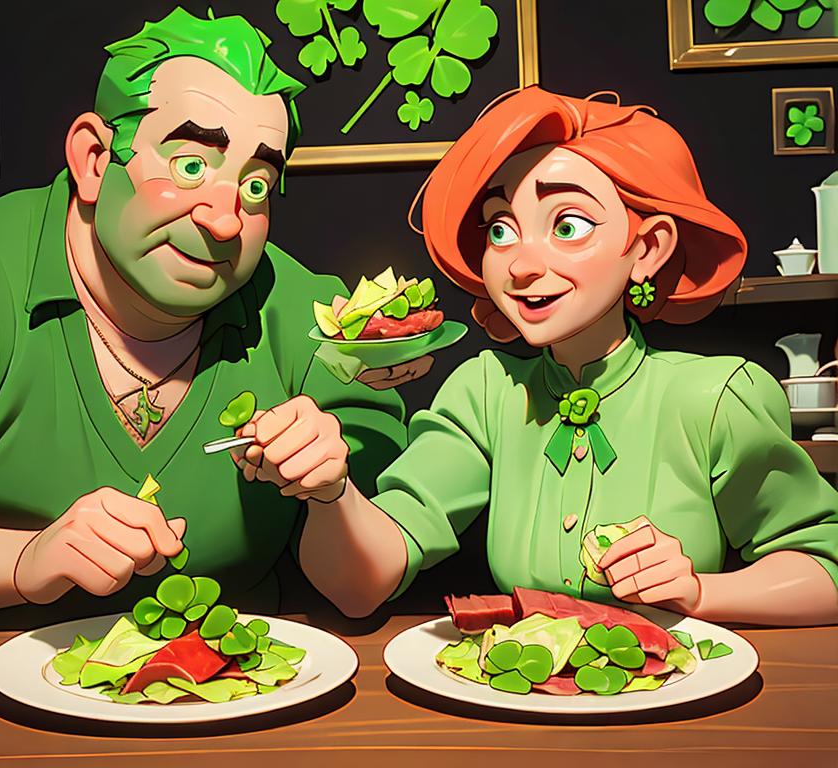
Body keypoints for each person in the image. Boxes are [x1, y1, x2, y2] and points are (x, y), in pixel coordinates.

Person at [0, 9, 417, 628]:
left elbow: (365, 580)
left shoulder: (315, 319)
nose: (223, 218)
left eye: (254, 185)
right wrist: (23, 562)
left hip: (238, 706)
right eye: (189, 166)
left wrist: (332, 492)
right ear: (95, 160)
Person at [238, 86, 838, 625]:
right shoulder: (485, 392)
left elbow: (826, 568)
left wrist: (700, 593)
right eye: (501, 229)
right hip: (519, 702)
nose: (521, 263)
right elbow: (362, 585)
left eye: (568, 225)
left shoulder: (715, 397)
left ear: (649, 248)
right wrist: (330, 493)